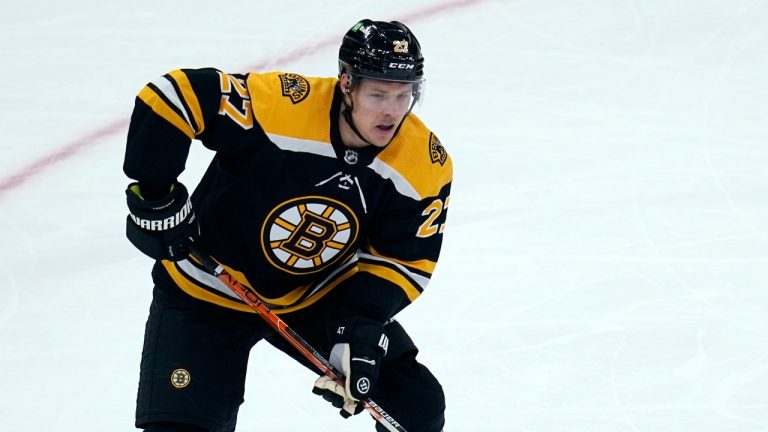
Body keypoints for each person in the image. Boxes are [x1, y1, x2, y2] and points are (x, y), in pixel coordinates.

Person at [123, 19, 452, 432]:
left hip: (318, 294)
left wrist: (362, 325)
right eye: (379, 93)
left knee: (416, 409)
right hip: (206, 290)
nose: (392, 110)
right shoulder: (281, 107)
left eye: (404, 95)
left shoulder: (422, 164)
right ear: (346, 84)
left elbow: (403, 260)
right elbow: (173, 95)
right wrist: (155, 193)